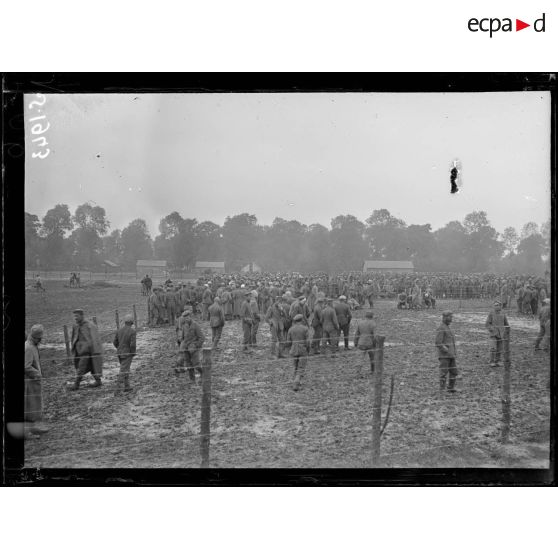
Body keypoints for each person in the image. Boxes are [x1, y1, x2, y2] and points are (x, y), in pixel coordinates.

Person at [68, 309, 103, 390]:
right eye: (74, 316)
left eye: (77, 316)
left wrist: (92, 349)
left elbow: (95, 338)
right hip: (79, 351)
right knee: (91, 366)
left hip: (87, 351)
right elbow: (73, 338)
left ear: (82, 315)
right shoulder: (75, 326)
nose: (75, 318)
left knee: (81, 367)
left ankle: (76, 384)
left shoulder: (89, 325)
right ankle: (98, 381)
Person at [24, 324, 49, 435]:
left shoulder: (32, 345)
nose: (41, 340)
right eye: (40, 338)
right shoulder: (29, 347)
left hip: (34, 382)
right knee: (30, 406)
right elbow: (26, 366)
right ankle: (28, 432)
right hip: (30, 383)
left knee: (33, 405)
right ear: (36, 337)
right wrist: (37, 374)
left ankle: (32, 428)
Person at [176, 310, 205, 382]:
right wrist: (181, 345)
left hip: (194, 348)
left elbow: (202, 338)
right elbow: (182, 338)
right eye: (185, 318)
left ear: (190, 317)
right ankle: (192, 379)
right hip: (186, 348)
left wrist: (196, 345)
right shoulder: (184, 326)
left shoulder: (196, 325)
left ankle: (203, 374)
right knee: (188, 364)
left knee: (196, 364)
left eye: (188, 317)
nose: (186, 319)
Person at [286, 314, 311, 391]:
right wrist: (308, 349)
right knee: (301, 368)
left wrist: (291, 348)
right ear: (302, 320)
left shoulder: (291, 329)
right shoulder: (305, 329)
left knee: (295, 366)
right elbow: (308, 342)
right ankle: (296, 383)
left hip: (293, 350)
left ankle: (295, 380)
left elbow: (288, 342)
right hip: (302, 350)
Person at [113, 314, 136, 394]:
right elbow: (132, 345)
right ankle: (117, 390)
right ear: (131, 322)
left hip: (119, 353)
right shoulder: (132, 331)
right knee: (123, 370)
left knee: (125, 369)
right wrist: (132, 352)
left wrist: (119, 348)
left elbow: (115, 342)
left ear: (125, 322)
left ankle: (127, 386)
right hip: (127, 353)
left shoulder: (119, 330)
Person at [435, 311, 458, 393]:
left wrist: (453, 353)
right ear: (445, 318)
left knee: (454, 372)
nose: (451, 319)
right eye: (450, 317)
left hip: (451, 355)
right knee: (443, 373)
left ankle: (450, 388)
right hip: (444, 356)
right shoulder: (441, 328)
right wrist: (446, 350)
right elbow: (438, 342)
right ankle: (442, 389)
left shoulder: (448, 327)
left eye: (451, 317)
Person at [485, 300, 510, 367]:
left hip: (501, 334)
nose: (497, 306)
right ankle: (491, 361)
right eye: (495, 305)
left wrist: (507, 331)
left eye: (498, 305)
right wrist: (492, 329)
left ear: (501, 306)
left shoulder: (503, 313)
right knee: (493, 348)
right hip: (493, 334)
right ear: (493, 306)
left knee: (499, 348)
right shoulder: (491, 313)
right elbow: (487, 324)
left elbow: (506, 324)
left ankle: (498, 360)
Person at [354, 311, 376, 375]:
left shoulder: (360, 323)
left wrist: (355, 342)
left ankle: (358, 372)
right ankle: (373, 371)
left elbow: (356, 334)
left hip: (361, 343)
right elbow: (375, 335)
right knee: (372, 357)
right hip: (370, 343)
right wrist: (375, 344)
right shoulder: (373, 323)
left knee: (359, 358)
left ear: (365, 316)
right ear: (372, 316)